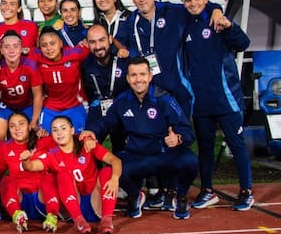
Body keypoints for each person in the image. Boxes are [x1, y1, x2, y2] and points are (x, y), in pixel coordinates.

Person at [87, 57, 197, 221]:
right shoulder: (122, 101)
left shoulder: (164, 99)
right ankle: (135, 196)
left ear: (150, 76)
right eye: (133, 75)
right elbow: (106, 122)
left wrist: (178, 138)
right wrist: (91, 132)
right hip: (137, 155)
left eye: (142, 74)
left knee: (191, 161)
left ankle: (180, 196)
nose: (138, 79)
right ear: (127, 78)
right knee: (113, 169)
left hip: (162, 154)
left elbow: (187, 131)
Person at [181, 0, 254, 211]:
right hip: (201, 101)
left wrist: (228, 23)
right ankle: (208, 190)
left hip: (226, 98)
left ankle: (246, 191)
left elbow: (243, 44)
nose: (192, 3)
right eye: (188, 0)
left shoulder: (218, 21)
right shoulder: (185, 24)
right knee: (205, 147)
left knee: (236, 144)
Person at [24, 116, 121, 234]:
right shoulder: (51, 155)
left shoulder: (86, 144)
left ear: (72, 130)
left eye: (63, 128)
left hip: (94, 202)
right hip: (73, 205)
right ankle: (79, 221)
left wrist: (115, 178)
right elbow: (31, 166)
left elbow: (115, 161)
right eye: (55, 130)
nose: (59, 133)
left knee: (107, 172)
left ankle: (107, 219)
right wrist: (25, 161)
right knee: (63, 175)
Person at [0, 112, 61, 232]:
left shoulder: (43, 141)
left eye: (21, 124)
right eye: (12, 126)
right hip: (21, 202)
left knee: (49, 177)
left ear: (29, 126)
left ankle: (52, 216)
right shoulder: (5, 148)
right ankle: (17, 215)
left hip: (43, 199)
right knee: (6, 180)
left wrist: (87, 135)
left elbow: (68, 139)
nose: (17, 129)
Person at [82, 24, 129, 154]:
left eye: (101, 40)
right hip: (99, 106)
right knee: (88, 139)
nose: (98, 46)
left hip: (123, 106)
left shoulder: (123, 60)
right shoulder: (86, 65)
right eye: (92, 42)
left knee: (124, 147)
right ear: (87, 43)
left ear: (109, 39)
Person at [33, 28, 90, 132]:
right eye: (44, 45)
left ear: (60, 43)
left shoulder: (75, 53)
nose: (49, 48)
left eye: (52, 43)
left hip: (75, 105)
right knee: (45, 139)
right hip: (51, 107)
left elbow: (93, 43)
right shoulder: (37, 56)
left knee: (78, 139)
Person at [0, 31, 43, 140]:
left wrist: (34, 120)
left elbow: (38, 95)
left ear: (21, 48)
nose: (11, 50)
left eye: (15, 46)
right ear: (1, 50)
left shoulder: (30, 65)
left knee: (32, 134)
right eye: (7, 47)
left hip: (27, 105)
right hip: (5, 104)